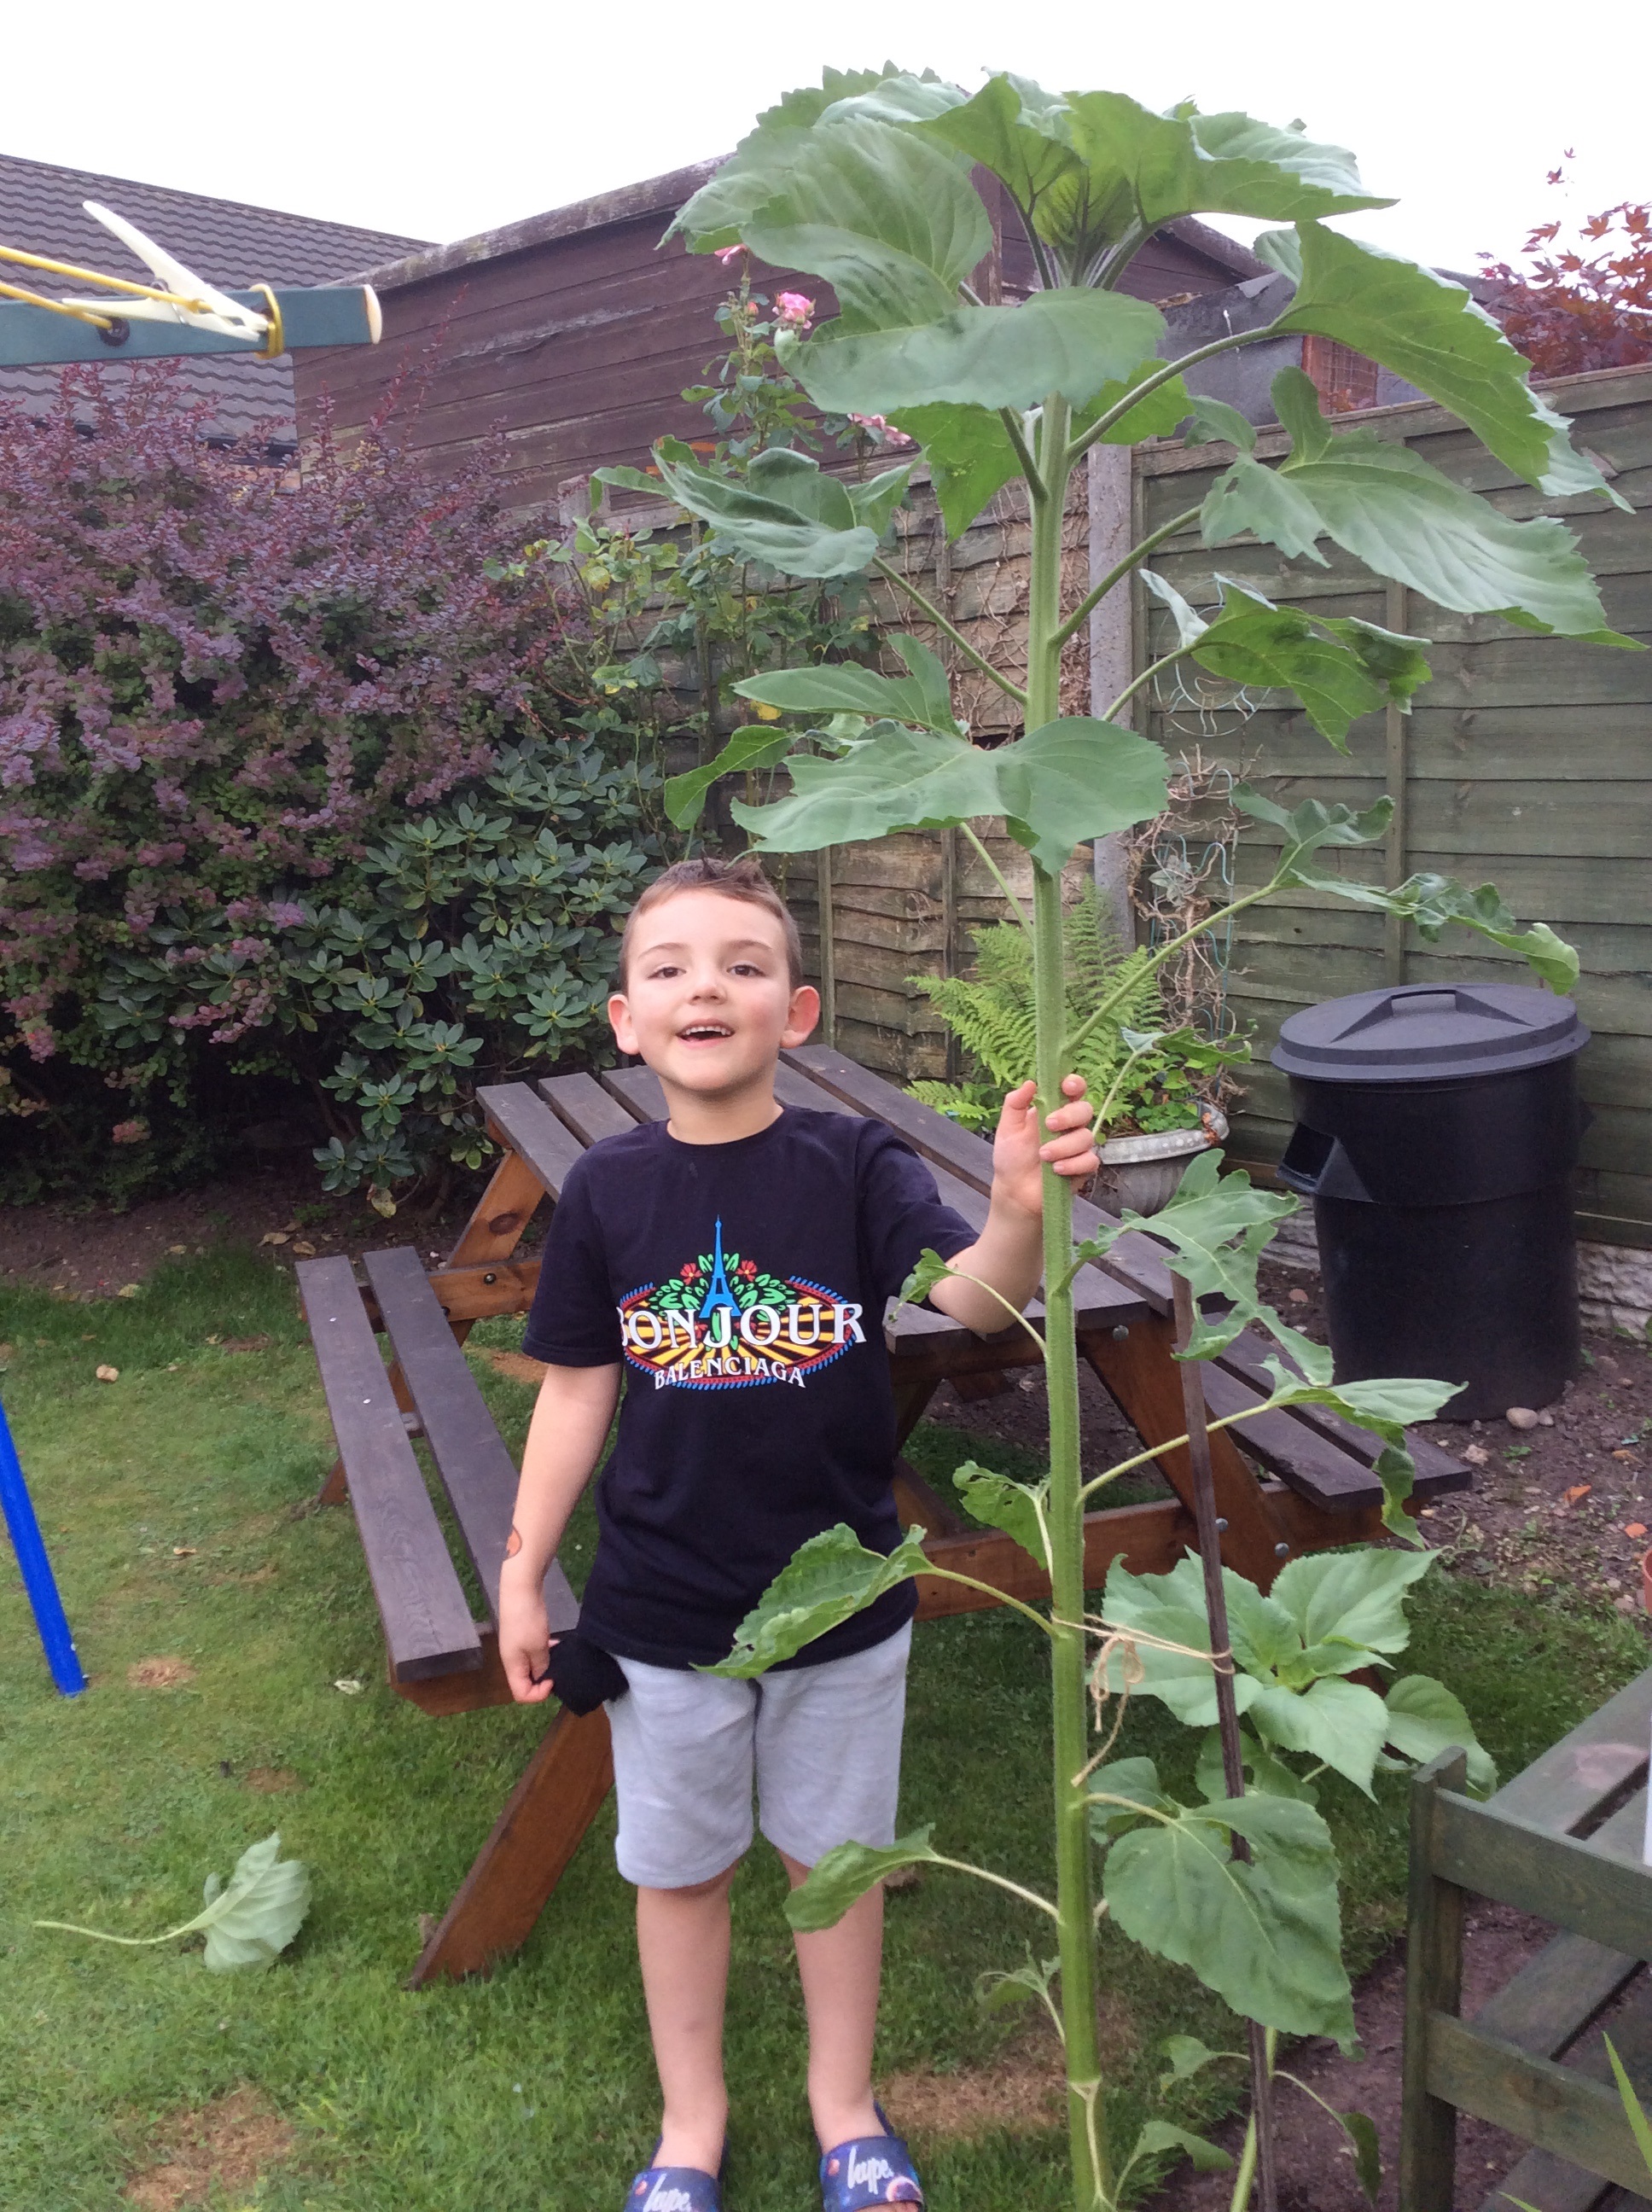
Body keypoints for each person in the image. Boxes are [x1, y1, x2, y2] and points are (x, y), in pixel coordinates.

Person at [497, 855, 1099, 2212]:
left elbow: (976, 1304)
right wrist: (526, 1565)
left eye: (743, 964)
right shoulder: (605, 1193)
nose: (706, 984)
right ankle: (690, 2129)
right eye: (671, 968)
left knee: (834, 1866)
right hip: (660, 1612)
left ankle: (846, 2109)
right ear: (627, 1020)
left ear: (800, 1009)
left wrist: (1014, 1214)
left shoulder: (851, 1163)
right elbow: (581, 1384)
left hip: (840, 1597)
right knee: (683, 1870)